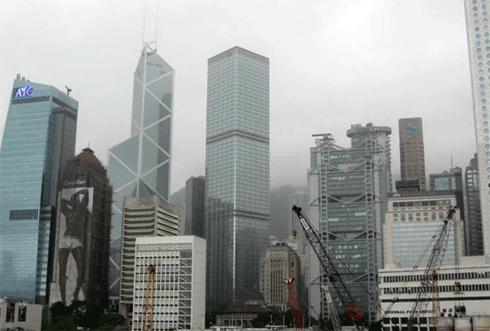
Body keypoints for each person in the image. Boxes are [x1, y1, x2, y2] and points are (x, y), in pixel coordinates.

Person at [58, 188, 90, 305]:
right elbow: (61, 202)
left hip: (76, 240)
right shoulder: (68, 211)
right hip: (65, 239)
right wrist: (72, 201)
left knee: (81, 268)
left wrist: (76, 195)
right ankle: (62, 300)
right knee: (62, 270)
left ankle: (76, 292)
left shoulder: (82, 210)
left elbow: (86, 192)